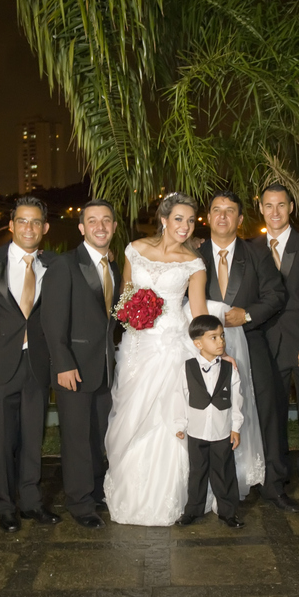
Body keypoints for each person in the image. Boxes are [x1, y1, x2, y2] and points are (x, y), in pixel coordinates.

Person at [104, 193, 209, 525]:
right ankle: (131, 491)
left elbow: (198, 313)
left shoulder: (194, 263)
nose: (185, 226)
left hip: (174, 347)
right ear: (164, 219)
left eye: (191, 220)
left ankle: (172, 496)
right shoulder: (135, 250)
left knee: (170, 420)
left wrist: (210, 354)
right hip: (138, 346)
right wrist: (133, 312)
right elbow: (125, 294)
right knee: (133, 416)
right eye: (179, 218)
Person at [197, 191, 285, 510]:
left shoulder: (256, 253)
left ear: (240, 219)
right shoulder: (193, 254)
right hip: (202, 352)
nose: (223, 216)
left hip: (249, 340)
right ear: (208, 217)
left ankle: (272, 484)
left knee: (264, 409)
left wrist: (246, 315)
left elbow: (276, 295)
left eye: (230, 211)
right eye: (217, 210)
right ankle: (207, 486)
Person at [0, 196, 61, 533]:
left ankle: (30, 502)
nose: (28, 228)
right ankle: (5, 506)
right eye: (22, 221)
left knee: (32, 437)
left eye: (35, 222)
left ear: (44, 228)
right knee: (1, 441)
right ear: (11, 225)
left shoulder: (56, 264)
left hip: (36, 364)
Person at [42, 199, 122, 528]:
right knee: (75, 437)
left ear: (114, 227)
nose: (100, 226)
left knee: (99, 435)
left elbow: (115, 316)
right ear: (82, 228)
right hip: (73, 366)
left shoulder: (116, 267)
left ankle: (97, 490)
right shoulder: (65, 265)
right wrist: (63, 363)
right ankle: (79, 501)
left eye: (106, 220)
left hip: (105, 366)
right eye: (93, 221)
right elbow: (51, 319)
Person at [249, 184, 299, 499]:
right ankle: (276, 472)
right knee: (271, 413)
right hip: (266, 343)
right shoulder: (251, 248)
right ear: (261, 209)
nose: (275, 212)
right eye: (268, 206)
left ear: (291, 207)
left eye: (281, 205)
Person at [175, 315, 245, 529]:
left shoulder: (229, 369)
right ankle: (193, 510)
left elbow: (237, 400)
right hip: (196, 431)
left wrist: (235, 428)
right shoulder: (187, 368)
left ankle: (228, 512)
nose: (221, 341)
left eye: (222, 336)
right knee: (197, 472)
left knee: (224, 472)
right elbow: (180, 397)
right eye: (213, 337)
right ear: (198, 343)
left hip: (221, 431)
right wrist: (180, 425)